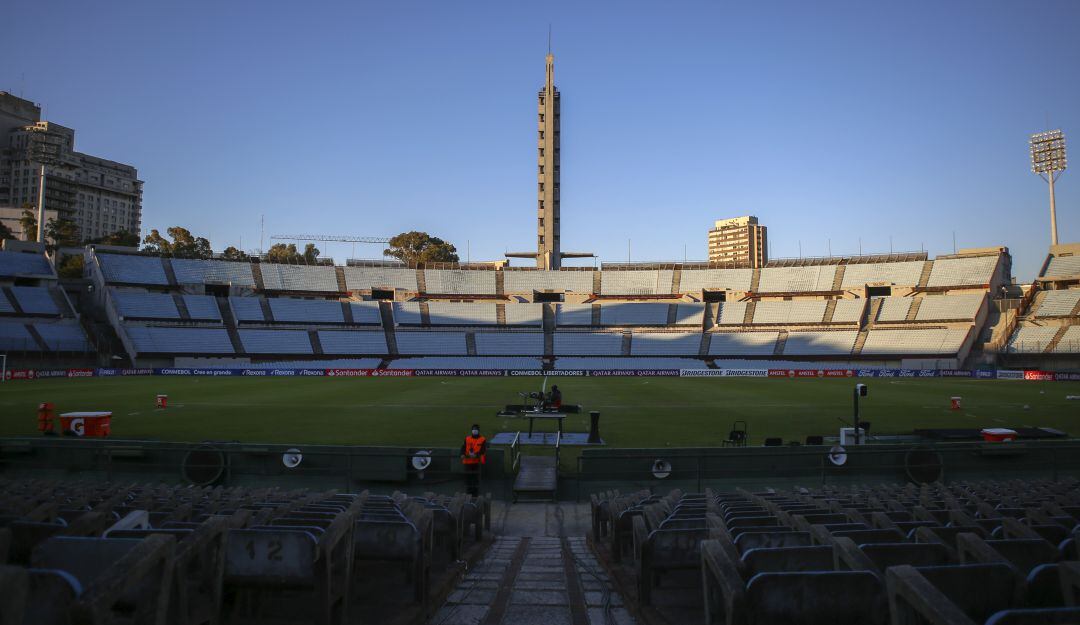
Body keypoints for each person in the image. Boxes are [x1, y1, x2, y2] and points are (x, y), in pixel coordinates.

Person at [460, 424, 487, 495]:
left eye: (476, 429)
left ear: (478, 430)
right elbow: (463, 448)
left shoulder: (482, 439)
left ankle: (475, 494)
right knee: (468, 478)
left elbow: (483, 450)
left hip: (476, 462)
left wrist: (476, 455)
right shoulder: (467, 438)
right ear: (471, 430)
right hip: (467, 462)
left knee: (475, 479)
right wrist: (462, 454)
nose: (474, 431)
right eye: (473, 429)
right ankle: (468, 493)